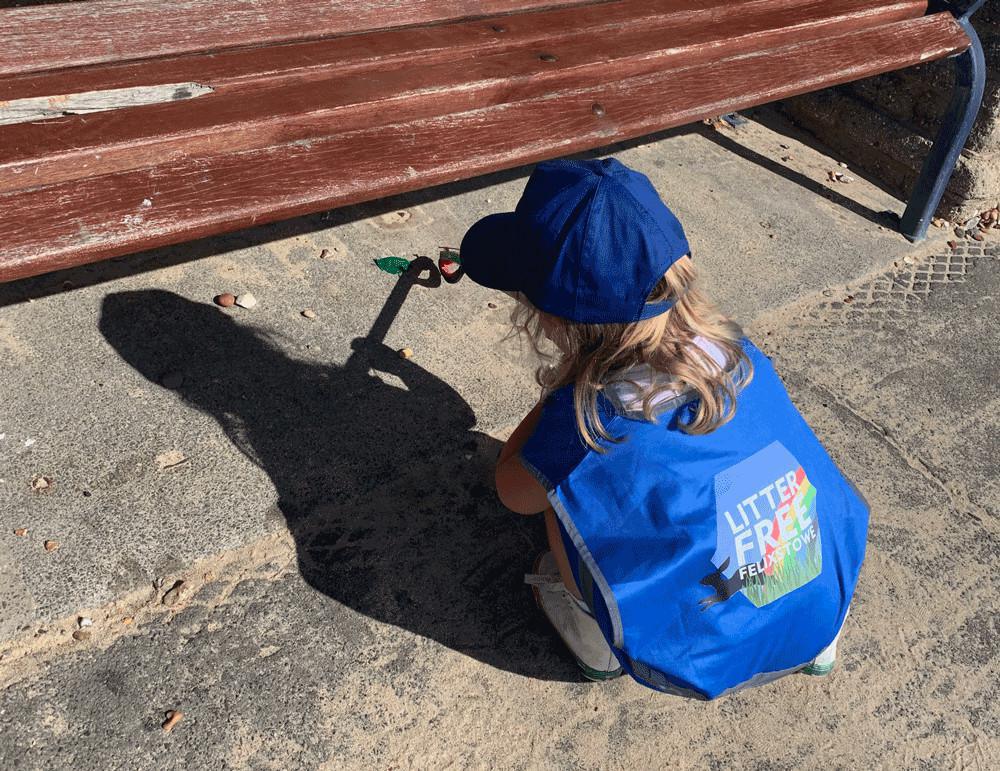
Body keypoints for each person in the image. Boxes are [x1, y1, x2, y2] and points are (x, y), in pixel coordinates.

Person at [458, 157, 869, 699]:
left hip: (705, 651)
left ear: (556, 319)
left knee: (564, 497)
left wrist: (561, 396)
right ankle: (809, 641)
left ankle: (594, 640)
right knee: (751, 477)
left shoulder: (588, 417)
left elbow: (513, 491)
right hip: (824, 593)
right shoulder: (736, 353)